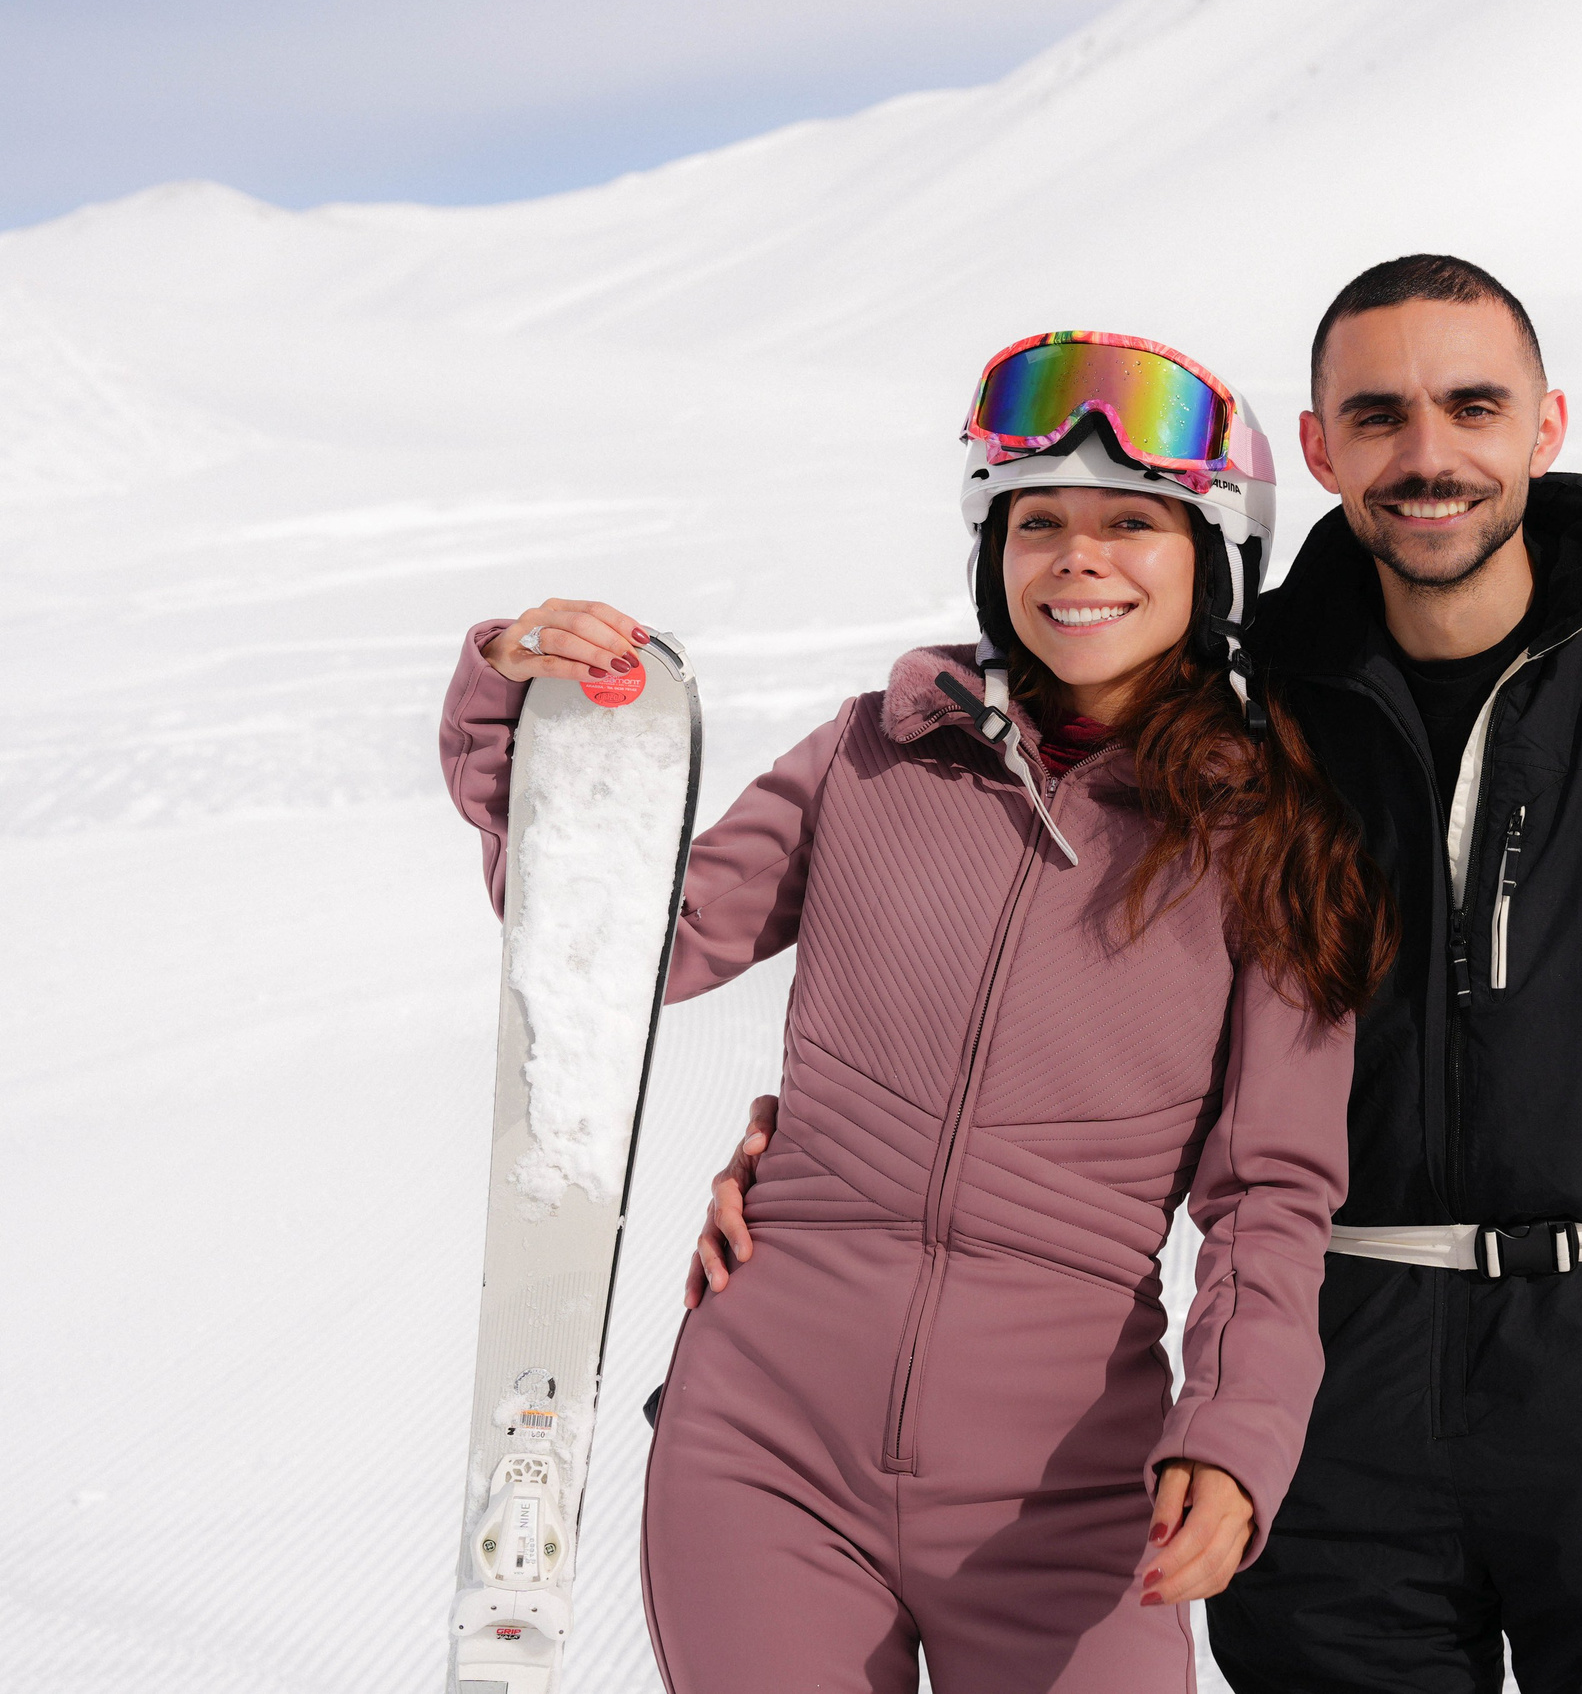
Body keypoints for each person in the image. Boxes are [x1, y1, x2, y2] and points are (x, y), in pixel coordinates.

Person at [701, 259, 1582, 1692]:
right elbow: (1024, 918)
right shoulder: (1237, 696)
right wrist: (824, 1179)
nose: (1428, 454)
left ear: (1546, 423)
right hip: (1334, 1352)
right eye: (1378, 415)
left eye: (1472, 406)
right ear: (1318, 450)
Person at [438, 330, 1394, 1694]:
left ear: (1214, 560)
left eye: (1133, 521)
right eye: (1039, 521)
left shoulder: (1269, 837)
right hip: (767, 1452)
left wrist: (1235, 1434)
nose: (1079, 555)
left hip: (1069, 1491)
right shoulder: (871, 752)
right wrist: (520, 708)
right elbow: (627, 949)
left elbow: (1274, 1192)